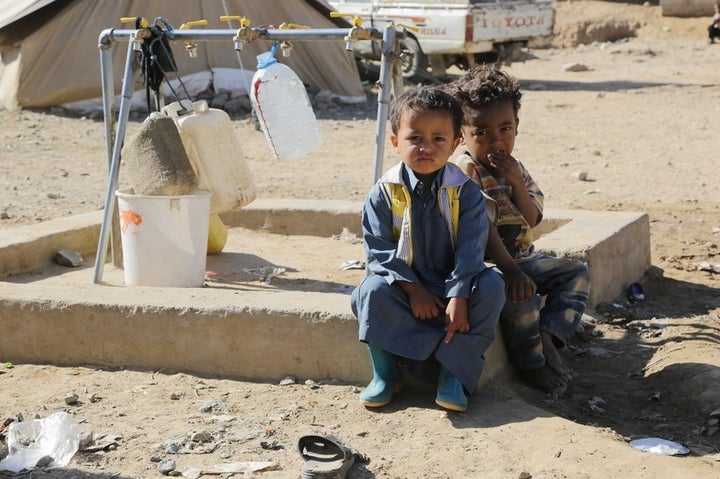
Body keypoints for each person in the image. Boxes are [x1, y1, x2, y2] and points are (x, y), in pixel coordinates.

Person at [350, 87, 505, 412]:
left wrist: (459, 296)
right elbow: (378, 251)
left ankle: (453, 374)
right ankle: (386, 373)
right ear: (395, 142)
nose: (426, 148)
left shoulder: (466, 192)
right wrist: (412, 289)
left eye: (438, 139)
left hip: (456, 286)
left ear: (455, 143)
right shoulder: (383, 192)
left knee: (492, 286)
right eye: (415, 138)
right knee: (370, 291)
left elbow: (470, 249)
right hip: (407, 288)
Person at [446, 65, 589, 393]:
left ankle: (549, 335)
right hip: (488, 270)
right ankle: (532, 365)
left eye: (504, 129)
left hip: (522, 260)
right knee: (520, 300)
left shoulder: (516, 168)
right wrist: (511, 273)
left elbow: (533, 218)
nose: (496, 140)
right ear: (461, 135)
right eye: (482, 132)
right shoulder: (465, 170)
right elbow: (478, 229)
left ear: (517, 126)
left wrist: (514, 183)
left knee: (576, 274)